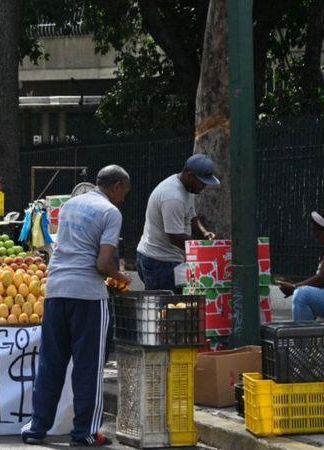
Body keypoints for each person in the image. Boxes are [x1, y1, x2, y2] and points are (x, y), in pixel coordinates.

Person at [22, 165, 131, 447]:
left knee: (50, 362)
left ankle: (37, 428)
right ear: (117, 186)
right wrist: (121, 277)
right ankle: (84, 431)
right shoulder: (110, 212)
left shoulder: (71, 205)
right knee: (89, 367)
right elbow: (103, 264)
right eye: (125, 192)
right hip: (88, 296)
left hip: (56, 289)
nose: (124, 199)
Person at [136, 154, 220, 291]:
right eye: (202, 182)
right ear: (189, 175)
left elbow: (191, 216)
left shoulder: (188, 188)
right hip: (160, 262)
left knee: (177, 307)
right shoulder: (173, 197)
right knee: (167, 309)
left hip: (169, 259)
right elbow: (175, 237)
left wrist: (204, 234)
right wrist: (203, 249)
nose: (204, 186)